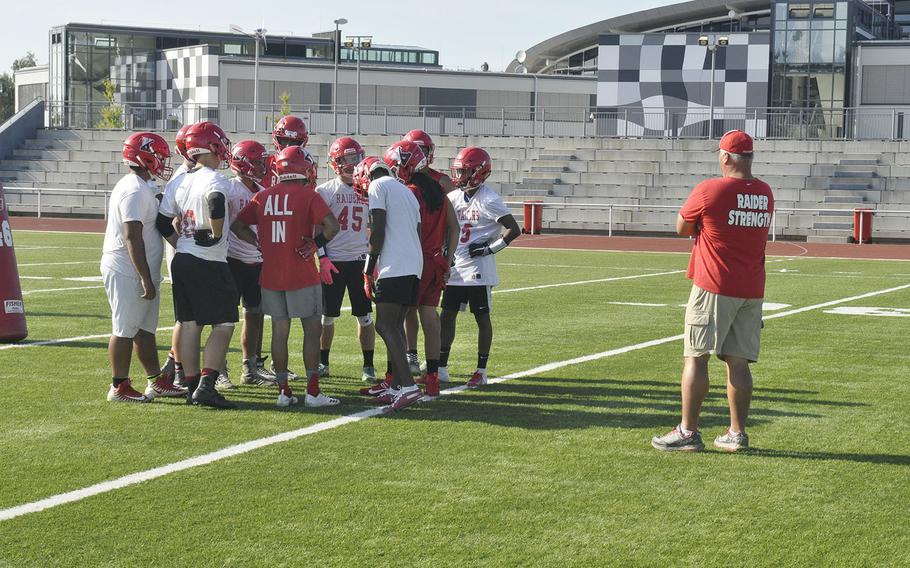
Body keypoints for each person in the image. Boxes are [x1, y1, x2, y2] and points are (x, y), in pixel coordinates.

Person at [651, 130, 774, 453]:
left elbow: (681, 227)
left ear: (725, 157)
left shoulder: (710, 189)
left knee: (696, 357)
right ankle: (737, 433)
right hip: (752, 285)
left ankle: (688, 431)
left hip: (715, 284)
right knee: (738, 362)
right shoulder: (765, 191)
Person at [231, 146, 341, 408]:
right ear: (304, 168)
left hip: (270, 274)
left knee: (279, 332)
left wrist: (258, 243)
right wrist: (314, 245)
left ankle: (283, 391)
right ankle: (313, 392)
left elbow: (237, 225)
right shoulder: (309, 196)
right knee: (311, 331)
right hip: (302, 273)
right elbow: (332, 226)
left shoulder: (263, 196)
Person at [156, 121, 238, 409]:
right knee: (225, 322)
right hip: (209, 260)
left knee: (189, 323)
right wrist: (215, 234)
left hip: (183, 259)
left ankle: (190, 385)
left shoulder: (179, 180)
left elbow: (162, 221)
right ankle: (206, 384)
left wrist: (181, 243)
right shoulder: (214, 179)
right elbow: (215, 203)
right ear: (212, 146)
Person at [103, 132, 185, 402]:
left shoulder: (142, 186)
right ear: (144, 156)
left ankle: (155, 380)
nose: (163, 161)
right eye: (159, 156)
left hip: (141, 268)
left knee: (144, 329)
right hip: (128, 268)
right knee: (125, 328)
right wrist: (144, 278)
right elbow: (132, 235)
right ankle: (118, 386)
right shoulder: (134, 189)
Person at [439, 147, 521, 388]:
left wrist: (489, 249)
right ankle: (441, 367)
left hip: (479, 270)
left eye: (464, 172)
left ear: (478, 173)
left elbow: (513, 229)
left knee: (482, 318)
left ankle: (481, 370)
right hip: (455, 267)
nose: (459, 176)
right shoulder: (453, 198)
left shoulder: (489, 199)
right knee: (447, 316)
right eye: (458, 171)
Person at [353, 150, 424, 411]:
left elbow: (378, 230)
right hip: (414, 264)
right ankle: (396, 386)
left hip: (395, 265)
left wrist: (368, 268)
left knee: (384, 325)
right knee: (395, 325)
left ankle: (407, 387)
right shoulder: (406, 191)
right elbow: (418, 231)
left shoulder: (377, 186)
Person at [315, 136, 378, 383]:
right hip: (335, 261)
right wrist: (323, 258)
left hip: (362, 261)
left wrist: (375, 261)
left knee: (365, 316)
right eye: (347, 159)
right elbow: (316, 231)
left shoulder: (371, 189)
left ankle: (368, 366)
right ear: (335, 163)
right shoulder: (325, 191)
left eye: (356, 158)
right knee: (327, 316)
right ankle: (323, 362)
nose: (353, 164)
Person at [404, 150, 460, 399]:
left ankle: (400, 373)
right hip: (436, 260)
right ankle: (434, 376)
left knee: (401, 315)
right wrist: (446, 261)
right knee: (430, 317)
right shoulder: (439, 191)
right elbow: (455, 228)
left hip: (416, 261)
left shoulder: (412, 192)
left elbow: (410, 230)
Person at [225, 139, 275, 386]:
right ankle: (219, 369)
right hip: (232, 260)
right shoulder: (229, 188)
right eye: (255, 162)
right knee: (224, 319)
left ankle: (249, 368)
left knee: (254, 314)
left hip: (257, 261)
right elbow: (230, 225)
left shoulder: (260, 191)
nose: (260, 166)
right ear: (241, 162)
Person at [159, 123, 197, 389]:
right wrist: (182, 245)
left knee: (192, 316)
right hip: (186, 256)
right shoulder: (182, 179)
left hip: (192, 255)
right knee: (186, 317)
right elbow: (169, 223)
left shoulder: (194, 175)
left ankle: (176, 365)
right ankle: (177, 367)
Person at [263, 115, 309, 188]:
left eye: (294, 142)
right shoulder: (264, 164)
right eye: (284, 140)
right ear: (275, 138)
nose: (288, 146)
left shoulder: (305, 166)